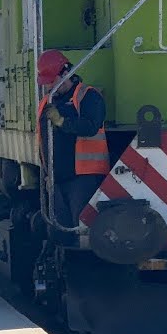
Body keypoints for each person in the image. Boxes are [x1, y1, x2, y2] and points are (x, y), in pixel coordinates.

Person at [34, 50, 108, 234]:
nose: (50, 86)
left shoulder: (88, 96)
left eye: (52, 81)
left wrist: (62, 122)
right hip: (56, 179)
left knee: (82, 229)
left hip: (83, 179)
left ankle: (84, 262)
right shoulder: (46, 102)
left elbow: (90, 126)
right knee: (59, 230)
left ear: (65, 73)